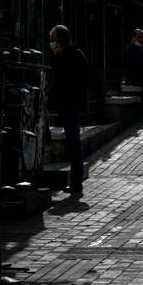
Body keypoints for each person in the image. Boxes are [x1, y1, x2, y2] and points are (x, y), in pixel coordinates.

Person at [49, 25, 89, 195]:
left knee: (74, 143)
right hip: (69, 104)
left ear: (60, 40)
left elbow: (65, 80)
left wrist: (58, 58)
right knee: (73, 143)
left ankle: (76, 182)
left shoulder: (72, 56)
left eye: (53, 40)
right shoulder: (74, 54)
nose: (51, 44)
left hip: (70, 104)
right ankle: (75, 181)